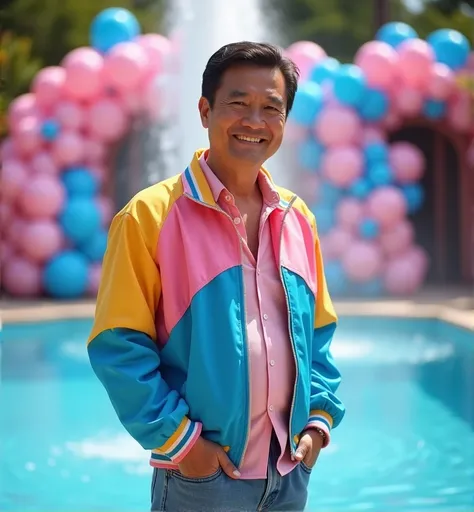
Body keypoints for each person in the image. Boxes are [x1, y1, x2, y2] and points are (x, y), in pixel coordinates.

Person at [87, 41, 345, 512]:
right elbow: (117, 345)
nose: (254, 121)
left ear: (285, 119)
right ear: (205, 111)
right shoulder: (148, 216)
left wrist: (317, 423)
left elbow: (318, 333)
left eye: (271, 107)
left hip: (288, 473)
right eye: (238, 103)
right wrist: (184, 446)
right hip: (202, 480)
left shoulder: (297, 217)